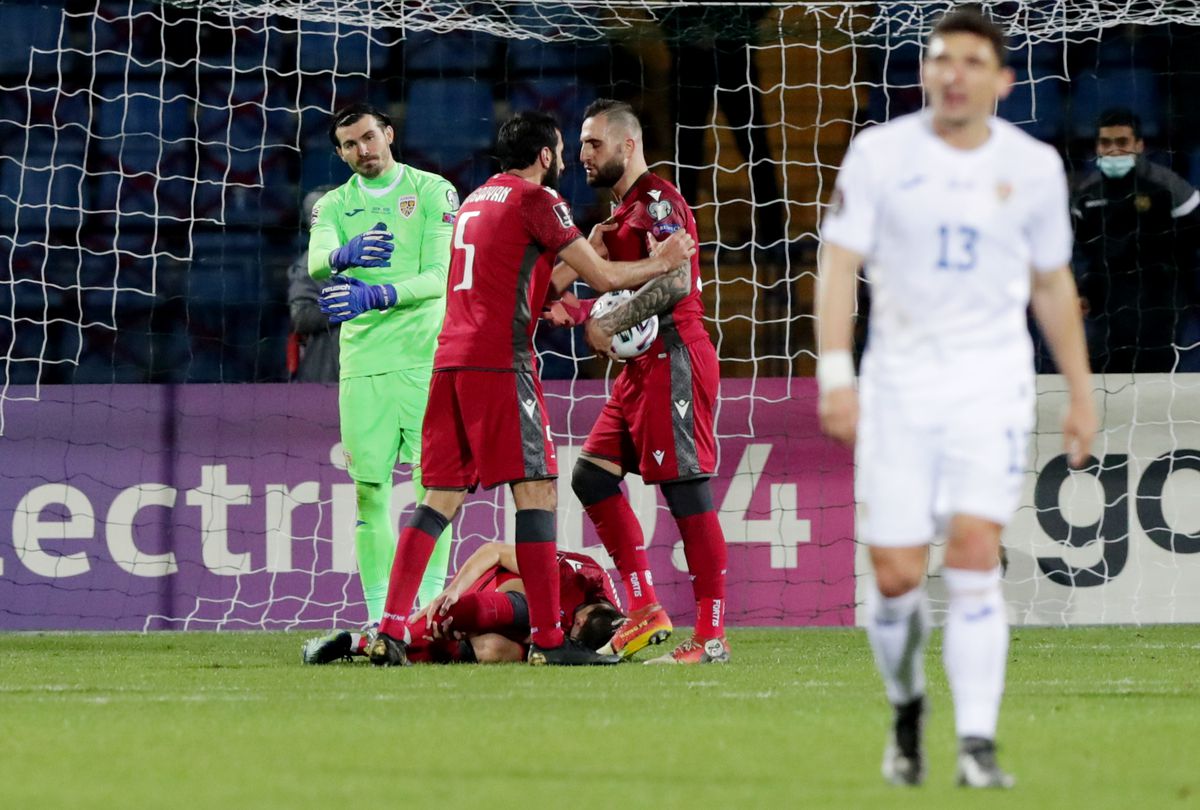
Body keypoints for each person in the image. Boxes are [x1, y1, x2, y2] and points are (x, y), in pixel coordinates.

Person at [815, 9, 1096, 789]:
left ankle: (977, 744)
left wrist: (1079, 391)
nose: (955, 72)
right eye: (942, 59)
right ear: (926, 72)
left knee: (975, 557)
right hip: (899, 388)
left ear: (1002, 81)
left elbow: (1050, 283)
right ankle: (908, 709)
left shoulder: (1033, 166)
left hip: (990, 387)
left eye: (973, 61)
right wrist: (837, 375)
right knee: (899, 576)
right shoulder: (879, 155)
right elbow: (839, 267)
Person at [365, 110, 696, 667]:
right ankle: (548, 639)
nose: (569, 159)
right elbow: (608, 278)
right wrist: (661, 259)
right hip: (500, 364)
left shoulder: (473, 201)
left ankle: (391, 631)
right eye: (566, 149)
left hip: (449, 362)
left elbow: (509, 276)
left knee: (438, 500)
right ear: (545, 155)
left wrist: (548, 300)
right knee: (537, 493)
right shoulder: (538, 201)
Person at [545, 99, 730, 665]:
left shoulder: (658, 203)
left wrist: (608, 320)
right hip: (637, 372)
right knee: (592, 479)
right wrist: (585, 312)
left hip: (674, 357)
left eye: (593, 144)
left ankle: (711, 635)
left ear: (628, 145)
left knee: (686, 491)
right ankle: (647, 605)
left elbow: (676, 284)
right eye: (579, 144)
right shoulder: (620, 217)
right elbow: (613, 298)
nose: (582, 155)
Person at [304, 103, 456, 645]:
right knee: (369, 494)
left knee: (432, 491)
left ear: (389, 134)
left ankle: (432, 613)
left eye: (369, 137)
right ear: (341, 151)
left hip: (424, 361)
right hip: (364, 366)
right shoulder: (334, 205)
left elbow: (440, 276)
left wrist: (379, 292)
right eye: (349, 144)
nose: (362, 150)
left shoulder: (434, 190)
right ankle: (378, 617)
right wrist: (342, 254)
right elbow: (316, 261)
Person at [303, 542, 625, 665]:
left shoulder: (608, 617)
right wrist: (455, 589)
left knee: (488, 650)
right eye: (573, 632)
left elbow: (622, 641)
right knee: (489, 614)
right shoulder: (564, 575)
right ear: (579, 620)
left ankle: (364, 643)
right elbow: (494, 551)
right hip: (493, 597)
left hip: (518, 638)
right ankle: (385, 637)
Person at [1071, 107, 1200, 373]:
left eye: (1122, 142)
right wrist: (1081, 291)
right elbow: (1078, 251)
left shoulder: (1169, 187)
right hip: (1106, 305)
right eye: (1106, 143)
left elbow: (1194, 243)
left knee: (1158, 383)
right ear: (1097, 146)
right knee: (1107, 384)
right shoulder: (1085, 195)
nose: (1114, 150)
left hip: (1162, 302)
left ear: (1139, 145)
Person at [287, 186, 340, 382]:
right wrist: (351, 304)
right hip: (327, 373)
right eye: (311, 215)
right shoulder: (309, 263)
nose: (314, 222)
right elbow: (300, 316)